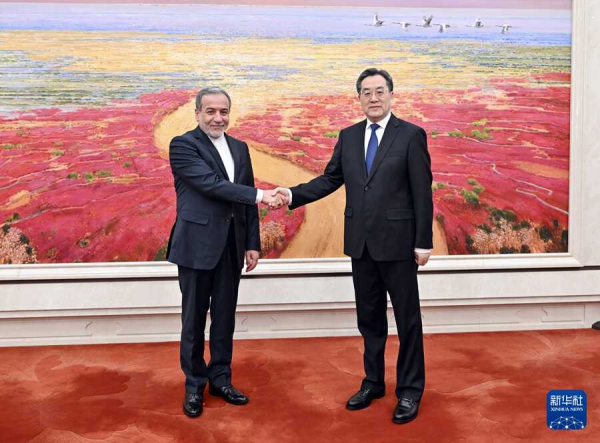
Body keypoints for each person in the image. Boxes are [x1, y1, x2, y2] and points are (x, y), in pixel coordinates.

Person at [275, 68, 433, 424]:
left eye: (379, 91)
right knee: (369, 320)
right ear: (358, 97)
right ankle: (373, 383)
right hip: (361, 245)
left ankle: (410, 391)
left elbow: (422, 192)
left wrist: (423, 242)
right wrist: (292, 194)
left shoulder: (411, 135)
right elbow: (330, 179)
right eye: (366, 92)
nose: (373, 98)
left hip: (399, 245)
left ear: (391, 94)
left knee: (408, 321)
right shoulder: (348, 136)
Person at [167, 86, 283, 418]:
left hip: (231, 247)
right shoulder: (183, 145)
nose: (218, 118)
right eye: (211, 111)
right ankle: (194, 386)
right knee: (193, 321)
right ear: (197, 114)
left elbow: (244, 201)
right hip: (196, 246)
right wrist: (261, 195)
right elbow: (211, 185)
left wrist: (252, 243)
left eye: (223, 112)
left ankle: (221, 380)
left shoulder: (239, 148)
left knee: (224, 318)